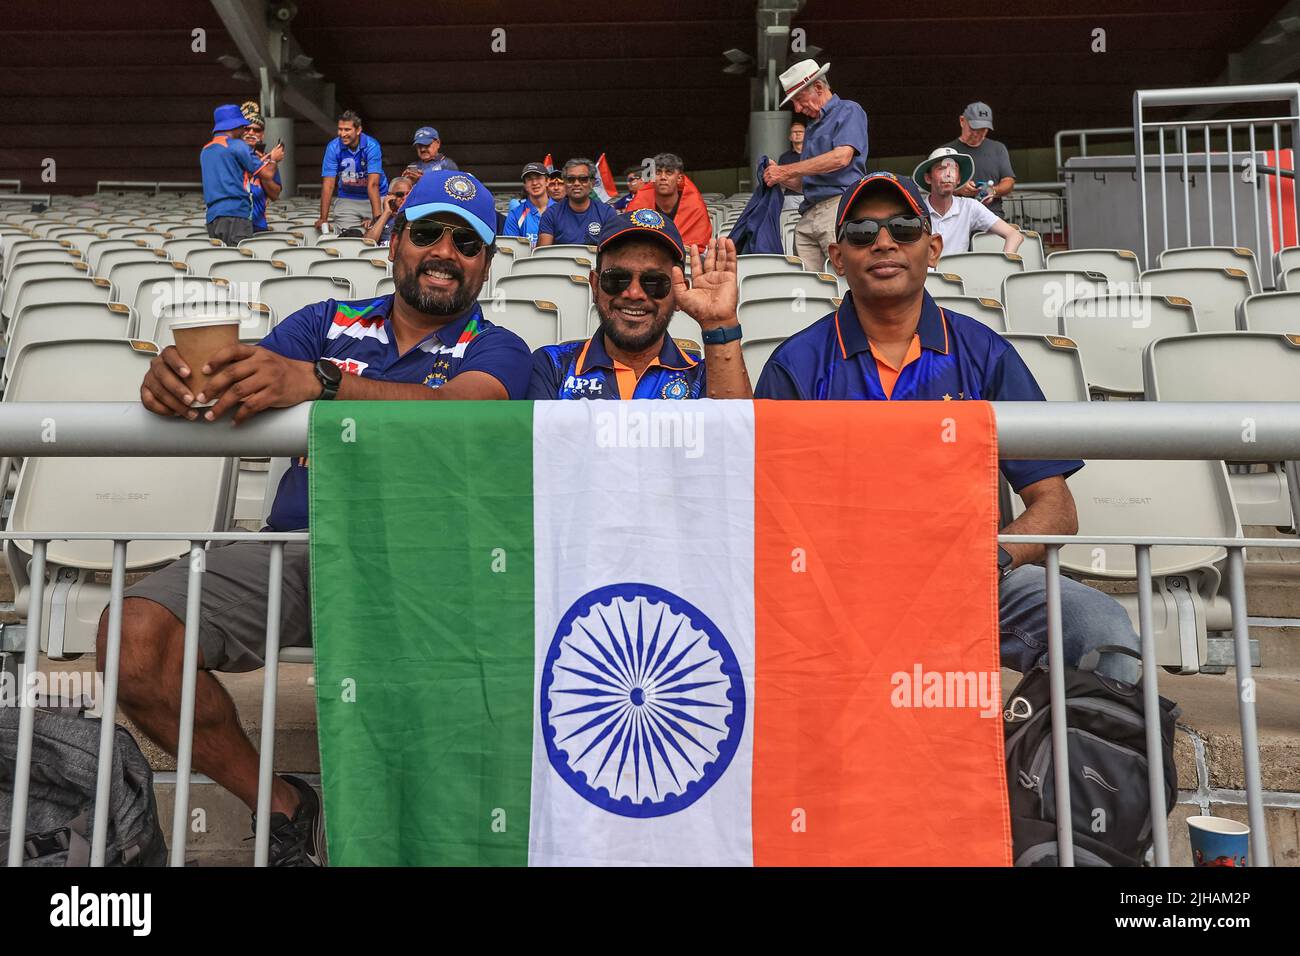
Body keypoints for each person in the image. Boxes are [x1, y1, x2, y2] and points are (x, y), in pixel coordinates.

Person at [116, 170, 532, 866]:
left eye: (467, 242)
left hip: (428, 568)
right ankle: (283, 805)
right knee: (134, 640)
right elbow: (236, 380)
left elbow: (468, 413)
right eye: (427, 232)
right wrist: (178, 379)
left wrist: (327, 383)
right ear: (394, 240)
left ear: (486, 263)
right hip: (300, 551)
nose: (444, 251)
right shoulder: (323, 323)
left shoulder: (501, 347)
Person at [753, 171, 1142, 685]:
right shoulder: (795, 365)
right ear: (837, 258)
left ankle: (1059, 762)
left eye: (904, 229)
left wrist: (986, 560)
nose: (885, 242)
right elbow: (765, 510)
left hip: (966, 576)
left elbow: (1056, 508)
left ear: (932, 248)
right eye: (863, 234)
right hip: (836, 584)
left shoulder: (986, 354)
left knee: (1099, 628)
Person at [529, 210, 749, 400]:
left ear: (679, 294)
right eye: (616, 279)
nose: (634, 293)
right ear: (595, 286)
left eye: (654, 282)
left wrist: (718, 324)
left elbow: (733, 440)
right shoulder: (553, 367)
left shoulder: (702, 377)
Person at [761, 59, 868, 271]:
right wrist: (779, 176)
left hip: (839, 206)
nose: (798, 108)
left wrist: (785, 170)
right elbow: (807, 181)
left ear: (818, 87)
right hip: (808, 211)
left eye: (800, 100)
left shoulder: (849, 110)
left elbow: (841, 158)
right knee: (807, 288)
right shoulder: (811, 127)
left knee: (846, 278)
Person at [913, 147, 1022, 256]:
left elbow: (1014, 235)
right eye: (941, 168)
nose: (948, 174)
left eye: (953, 169)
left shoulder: (970, 206)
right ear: (928, 178)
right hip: (926, 273)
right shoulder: (915, 210)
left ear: (958, 179)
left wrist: (1003, 265)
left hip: (959, 273)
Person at [200, 104, 283, 246]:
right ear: (234, 126)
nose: (244, 131)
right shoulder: (238, 146)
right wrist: (274, 159)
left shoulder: (205, 150)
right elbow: (268, 174)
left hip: (213, 217)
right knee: (240, 263)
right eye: (242, 126)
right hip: (237, 215)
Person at [316, 110, 388, 233]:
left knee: (379, 232)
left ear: (358, 130)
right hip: (348, 197)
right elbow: (328, 185)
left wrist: (377, 218)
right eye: (340, 129)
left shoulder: (372, 146)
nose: (342, 134)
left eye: (347, 130)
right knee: (348, 236)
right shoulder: (333, 147)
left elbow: (373, 184)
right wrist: (323, 219)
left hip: (377, 195)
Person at [623, 153, 711, 250]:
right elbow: (629, 241)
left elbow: (699, 247)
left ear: (679, 178)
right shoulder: (638, 204)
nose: (663, 177)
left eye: (669, 173)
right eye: (658, 172)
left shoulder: (694, 205)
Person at [945, 102, 1016, 218]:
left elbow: (1009, 181)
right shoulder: (946, 151)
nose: (977, 134)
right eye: (973, 128)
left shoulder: (998, 148)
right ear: (962, 121)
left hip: (991, 217)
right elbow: (934, 186)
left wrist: (992, 191)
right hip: (954, 217)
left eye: (983, 129)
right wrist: (957, 189)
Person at [537, 158, 618, 246]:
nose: (576, 183)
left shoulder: (607, 213)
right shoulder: (550, 214)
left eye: (583, 179)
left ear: (593, 183)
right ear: (564, 183)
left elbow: (613, 250)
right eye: (571, 179)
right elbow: (543, 254)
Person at [239, 103, 282, 234]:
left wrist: (263, 168)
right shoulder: (231, 156)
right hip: (235, 226)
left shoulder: (268, 161)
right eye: (247, 128)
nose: (251, 133)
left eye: (257, 130)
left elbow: (275, 195)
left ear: (262, 135)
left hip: (259, 227)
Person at [503, 162, 554, 243]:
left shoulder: (561, 210)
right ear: (525, 185)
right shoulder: (515, 214)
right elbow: (510, 250)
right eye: (529, 179)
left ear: (547, 181)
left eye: (538, 177)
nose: (534, 183)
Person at [363, 174, 414, 246]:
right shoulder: (381, 219)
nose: (405, 198)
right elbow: (368, 243)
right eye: (400, 194)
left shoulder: (416, 217)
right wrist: (386, 213)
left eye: (409, 194)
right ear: (390, 196)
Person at [777, 118, 806, 211]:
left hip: (810, 195)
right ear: (790, 137)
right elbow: (781, 178)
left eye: (801, 131)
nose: (797, 134)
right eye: (794, 132)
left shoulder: (814, 155)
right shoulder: (784, 157)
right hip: (790, 197)